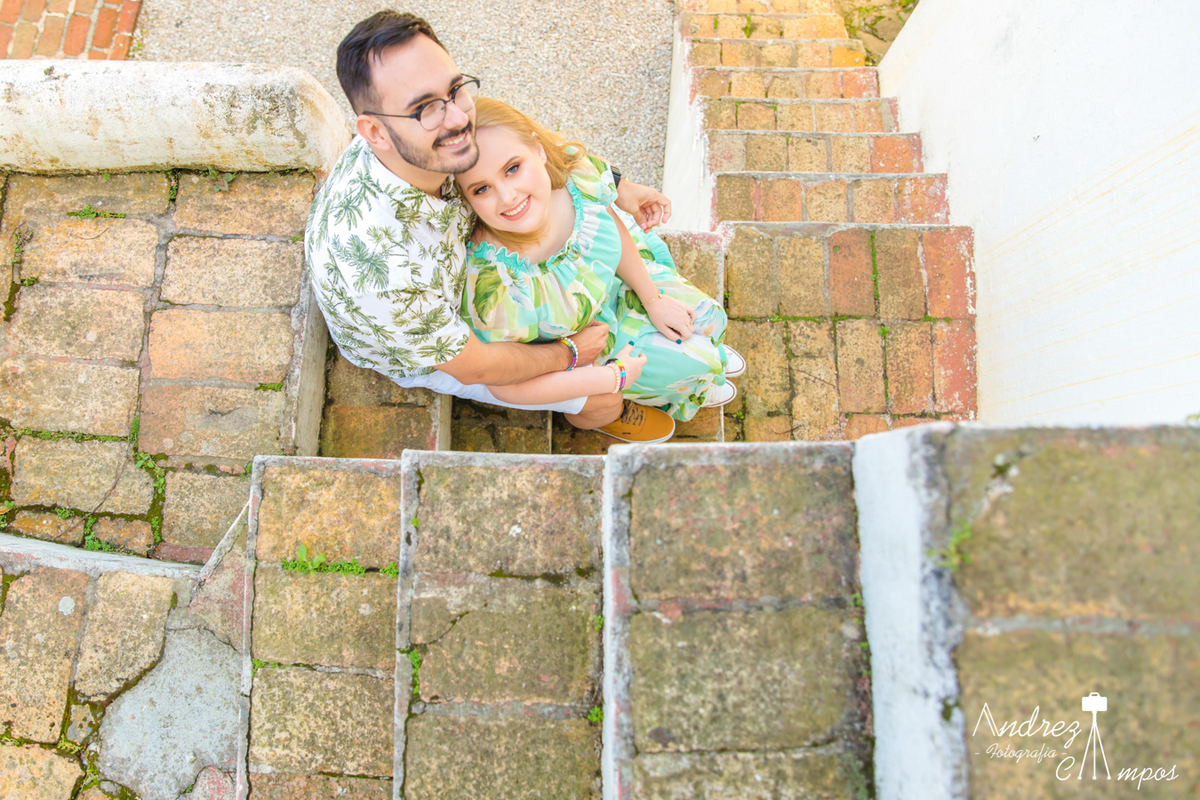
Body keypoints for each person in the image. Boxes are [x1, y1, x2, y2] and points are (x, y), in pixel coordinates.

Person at [306, 10, 686, 442]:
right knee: (598, 395)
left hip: (463, 275)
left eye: (453, 90)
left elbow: (524, 139)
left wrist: (620, 186)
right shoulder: (384, 272)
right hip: (433, 343)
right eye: (424, 107)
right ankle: (604, 415)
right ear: (373, 131)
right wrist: (570, 352)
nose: (457, 119)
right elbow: (478, 364)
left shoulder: (425, 143)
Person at [453, 98, 744, 424]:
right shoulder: (495, 285)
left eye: (512, 168)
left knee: (709, 318)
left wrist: (653, 298)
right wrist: (612, 377)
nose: (508, 197)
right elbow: (505, 386)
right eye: (481, 189)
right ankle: (686, 386)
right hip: (595, 347)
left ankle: (698, 365)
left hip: (622, 284)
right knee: (698, 363)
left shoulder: (574, 180)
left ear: (538, 151)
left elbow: (609, 224)